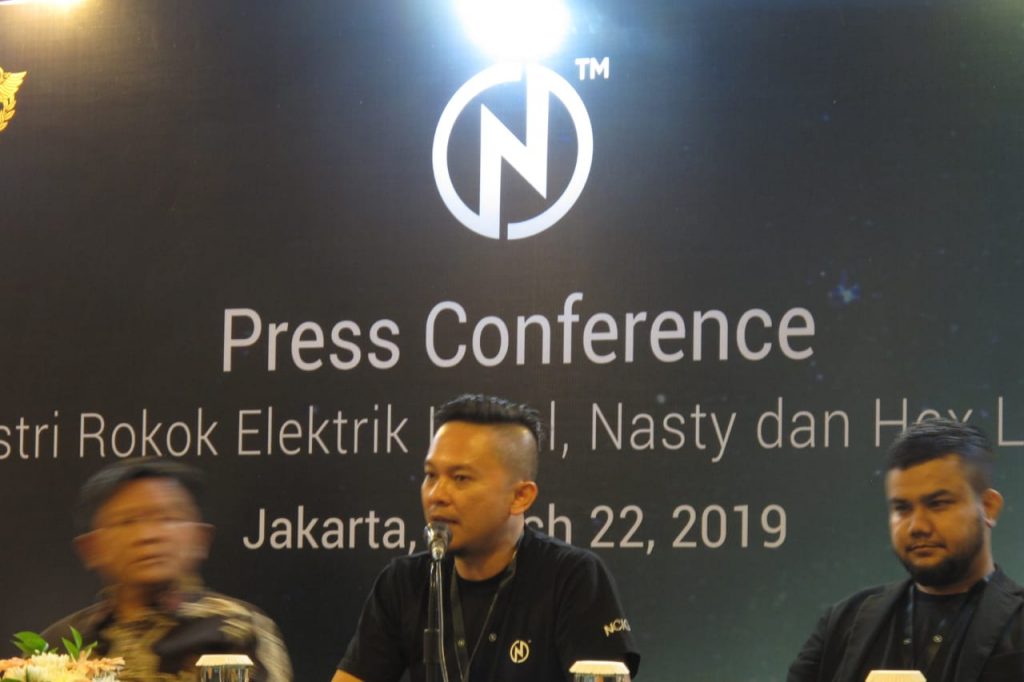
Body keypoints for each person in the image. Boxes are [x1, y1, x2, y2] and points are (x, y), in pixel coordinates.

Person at [332, 394, 640, 682]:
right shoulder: (404, 582)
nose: (437, 494)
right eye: (431, 475)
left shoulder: (572, 578)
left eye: (460, 478)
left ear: (520, 497)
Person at [787, 419, 1024, 682]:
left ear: (988, 507)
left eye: (937, 504)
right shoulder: (843, 622)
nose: (917, 526)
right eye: (902, 508)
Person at [41, 459, 293, 682]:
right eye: (127, 521)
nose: (147, 535)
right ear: (92, 548)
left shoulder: (234, 630)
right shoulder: (57, 645)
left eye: (167, 518)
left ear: (200, 537)